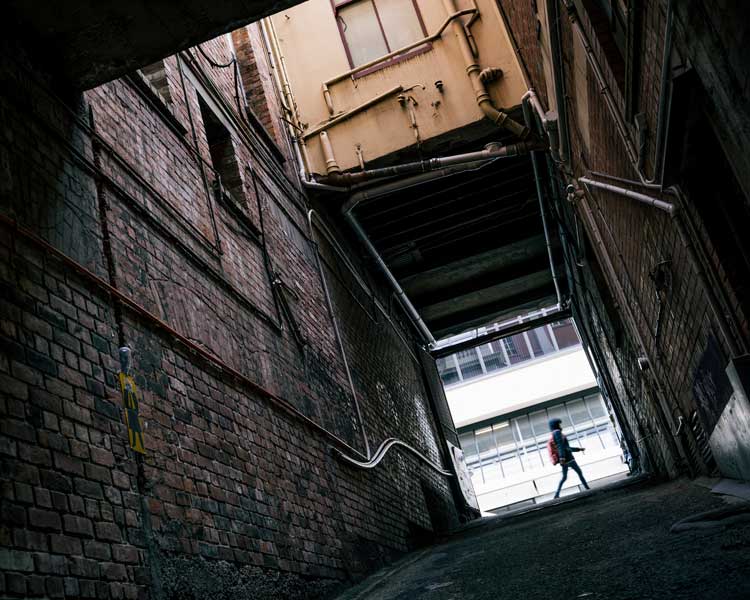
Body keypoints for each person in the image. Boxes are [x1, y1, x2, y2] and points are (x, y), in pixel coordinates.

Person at [548, 418, 590, 498]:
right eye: (559, 424)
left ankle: (557, 494)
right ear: (556, 425)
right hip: (568, 459)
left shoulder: (555, 433)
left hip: (564, 459)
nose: (560, 425)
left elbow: (564, 447)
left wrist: (578, 449)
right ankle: (587, 488)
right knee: (579, 473)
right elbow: (561, 446)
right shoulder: (557, 433)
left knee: (564, 477)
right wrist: (562, 458)